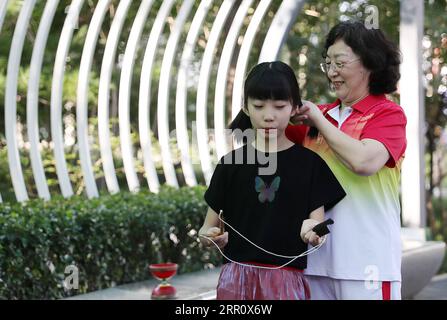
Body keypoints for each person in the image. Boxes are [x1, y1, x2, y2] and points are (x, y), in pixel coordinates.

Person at [198, 61, 346, 300]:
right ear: (245, 107)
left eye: (279, 106)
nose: (269, 116)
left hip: (286, 282)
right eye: (258, 106)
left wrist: (313, 232)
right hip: (235, 281)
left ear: (295, 107)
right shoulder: (230, 164)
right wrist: (210, 237)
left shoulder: (310, 164)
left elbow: (317, 226)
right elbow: (206, 228)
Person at [286, 21, 407, 300]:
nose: (332, 72)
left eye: (340, 63)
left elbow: (364, 162)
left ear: (369, 64)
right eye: (327, 63)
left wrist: (318, 120)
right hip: (314, 264)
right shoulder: (316, 115)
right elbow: (263, 133)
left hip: (369, 265)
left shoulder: (388, 114)